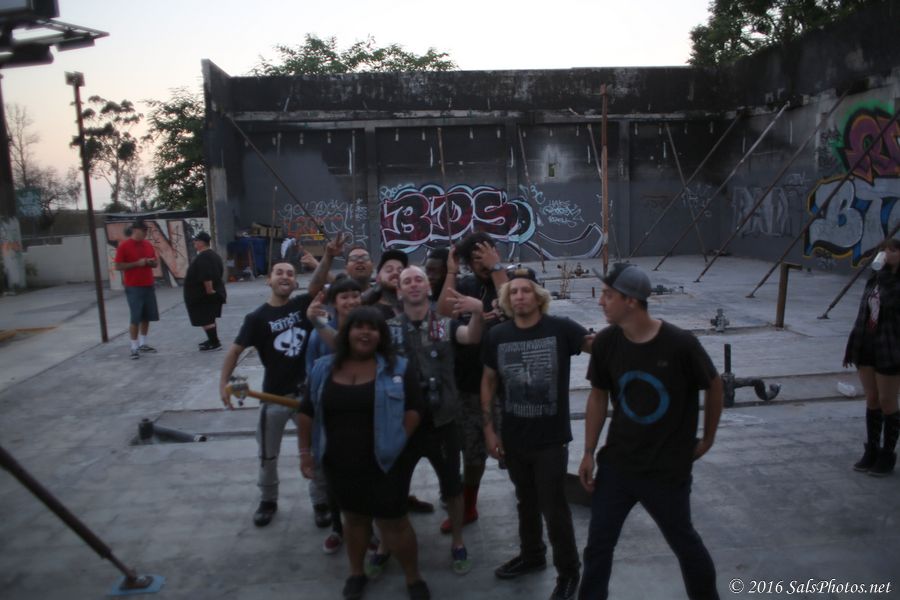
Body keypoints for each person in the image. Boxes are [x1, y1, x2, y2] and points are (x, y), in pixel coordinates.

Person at [578, 263, 722, 600]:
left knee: (685, 544)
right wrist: (588, 451)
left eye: (608, 295)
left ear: (630, 301)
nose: (600, 301)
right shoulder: (606, 343)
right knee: (598, 546)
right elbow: (598, 396)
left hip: (666, 470)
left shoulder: (680, 344)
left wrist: (707, 439)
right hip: (618, 466)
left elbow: (714, 385)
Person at [298, 307, 430, 600]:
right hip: (339, 463)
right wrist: (305, 452)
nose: (365, 333)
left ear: (381, 335)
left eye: (373, 328)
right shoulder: (322, 368)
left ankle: (413, 577)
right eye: (359, 327)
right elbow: (306, 411)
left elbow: (415, 408)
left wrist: (399, 438)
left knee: (395, 523)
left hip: (385, 463)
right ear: (347, 333)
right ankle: (356, 573)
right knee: (354, 520)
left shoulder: (399, 368)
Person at [481, 266, 593, 600]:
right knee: (525, 502)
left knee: (554, 507)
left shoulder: (560, 328)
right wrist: (489, 430)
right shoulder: (497, 335)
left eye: (526, 290)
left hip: (550, 439)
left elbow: (598, 347)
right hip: (514, 437)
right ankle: (532, 556)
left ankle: (569, 572)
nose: (519, 296)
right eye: (513, 291)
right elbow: (488, 382)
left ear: (539, 296)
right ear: (507, 298)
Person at [374, 265, 484, 577]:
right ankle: (385, 544)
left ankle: (458, 541)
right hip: (400, 424)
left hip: (443, 421)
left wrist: (478, 312)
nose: (413, 284)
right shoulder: (386, 329)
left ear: (428, 288)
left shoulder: (445, 325)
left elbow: (470, 336)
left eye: (418, 279)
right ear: (398, 291)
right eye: (406, 281)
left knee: (452, 487)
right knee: (392, 489)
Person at [218, 261, 313, 527]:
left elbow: (323, 283)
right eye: (279, 272)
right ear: (268, 280)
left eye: (290, 273)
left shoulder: (303, 305)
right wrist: (222, 383)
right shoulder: (256, 319)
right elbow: (235, 351)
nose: (285, 276)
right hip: (273, 398)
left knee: (315, 451)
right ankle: (268, 500)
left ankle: (321, 501)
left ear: (296, 282)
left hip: (306, 398)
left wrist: (324, 258)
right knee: (267, 455)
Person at [435, 232, 509, 533]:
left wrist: (496, 268)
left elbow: (514, 308)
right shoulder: (464, 286)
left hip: (508, 386)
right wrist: (451, 272)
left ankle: (529, 498)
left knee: (515, 450)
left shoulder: (514, 281)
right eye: (476, 259)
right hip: (467, 384)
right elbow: (442, 315)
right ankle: (468, 506)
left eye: (487, 255)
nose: (483, 263)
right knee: (472, 452)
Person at [304, 277, 364, 553]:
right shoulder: (318, 335)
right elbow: (311, 377)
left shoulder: (369, 329)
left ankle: (367, 530)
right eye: (344, 297)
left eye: (355, 295)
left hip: (362, 415)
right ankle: (338, 529)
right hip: (329, 419)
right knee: (333, 477)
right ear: (334, 303)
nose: (351, 301)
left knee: (364, 477)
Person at [843, 238, 900, 476]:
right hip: (867, 343)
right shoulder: (875, 278)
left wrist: (884, 275)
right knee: (872, 398)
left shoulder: (891, 281)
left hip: (890, 346)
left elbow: (892, 301)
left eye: (892, 250)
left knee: (887, 400)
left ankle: (888, 453)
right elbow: (864, 311)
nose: (886, 253)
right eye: (884, 249)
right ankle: (872, 450)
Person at [114, 219, 159, 360]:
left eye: (146, 230)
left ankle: (143, 343)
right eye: (143, 230)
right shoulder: (124, 246)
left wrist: (151, 262)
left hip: (148, 284)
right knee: (136, 316)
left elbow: (155, 262)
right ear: (135, 230)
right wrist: (137, 263)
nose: (145, 233)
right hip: (133, 286)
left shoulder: (148, 244)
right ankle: (134, 346)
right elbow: (118, 266)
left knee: (147, 316)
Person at [183, 231, 226, 351]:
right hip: (207, 294)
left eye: (196, 240)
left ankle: (214, 342)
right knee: (209, 318)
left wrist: (210, 291)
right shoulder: (213, 255)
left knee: (205, 318)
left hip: (203, 296)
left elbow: (207, 276)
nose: (194, 242)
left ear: (202, 242)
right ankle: (212, 339)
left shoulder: (204, 257)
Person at [307, 232, 375, 297]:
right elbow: (314, 291)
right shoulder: (336, 292)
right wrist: (328, 255)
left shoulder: (379, 293)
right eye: (354, 258)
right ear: (346, 268)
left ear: (373, 266)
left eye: (365, 257)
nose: (360, 261)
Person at [363, 249, 408, 321]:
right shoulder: (365, 311)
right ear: (378, 278)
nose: (395, 273)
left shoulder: (416, 309)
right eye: (389, 270)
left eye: (400, 271)